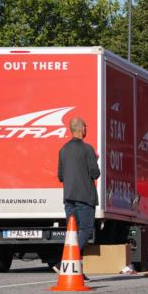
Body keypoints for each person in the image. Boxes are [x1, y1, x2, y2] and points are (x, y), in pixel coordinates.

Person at [58, 117, 100, 276]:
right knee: (86, 230)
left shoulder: (63, 150)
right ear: (82, 129)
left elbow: (60, 176)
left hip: (69, 197)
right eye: (86, 127)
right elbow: (95, 173)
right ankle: (66, 258)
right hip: (85, 197)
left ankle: (75, 269)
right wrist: (94, 161)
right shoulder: (87, 149)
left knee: (72, 232)